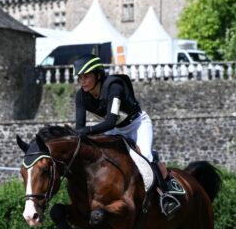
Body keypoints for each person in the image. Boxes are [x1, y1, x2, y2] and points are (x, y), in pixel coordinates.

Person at [73, 55, 183, 217]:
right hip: (116, 129)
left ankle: (167, 195)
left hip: (137, 124)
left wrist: (87, 131)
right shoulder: (81, 96)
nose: (83, 81)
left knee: (144, 157)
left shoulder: (114, 87)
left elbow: (109, 121)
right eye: (80, 78)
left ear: (98, 74)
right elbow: (80, 128)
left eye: (86, 76)